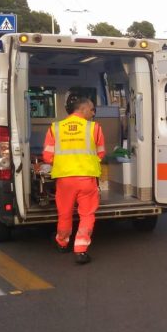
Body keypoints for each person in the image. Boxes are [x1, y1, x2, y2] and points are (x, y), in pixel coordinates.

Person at [43, 95, 105, 265]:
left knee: (64, 213)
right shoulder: (95, 128)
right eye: (92, 109)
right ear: (82, 109)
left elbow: (48, 157)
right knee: (87, 214)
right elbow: (100, 154)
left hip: (64, 180)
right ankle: (81, 250)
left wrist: (65, 164)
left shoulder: (55, 128)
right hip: (86, 179)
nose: (93, 113)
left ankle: (62, 243)